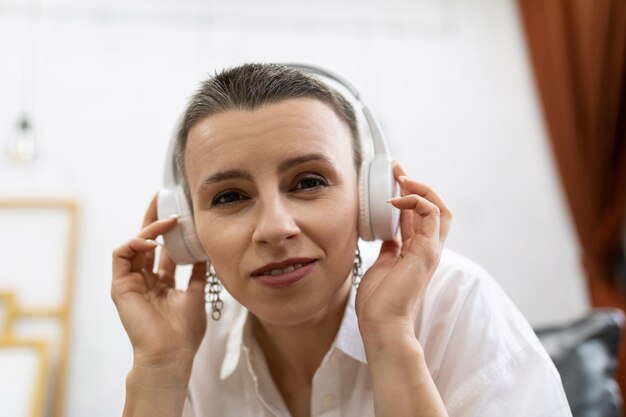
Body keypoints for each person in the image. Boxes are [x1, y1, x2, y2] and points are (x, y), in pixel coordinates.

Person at [112, 63, 572, 417]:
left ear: (371, 201)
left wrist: (391, 338)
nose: (275, 228)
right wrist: (160, 367)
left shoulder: (456, 305)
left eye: (308, 182)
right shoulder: (185, 345)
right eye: (230, 196)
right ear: (187, 230)